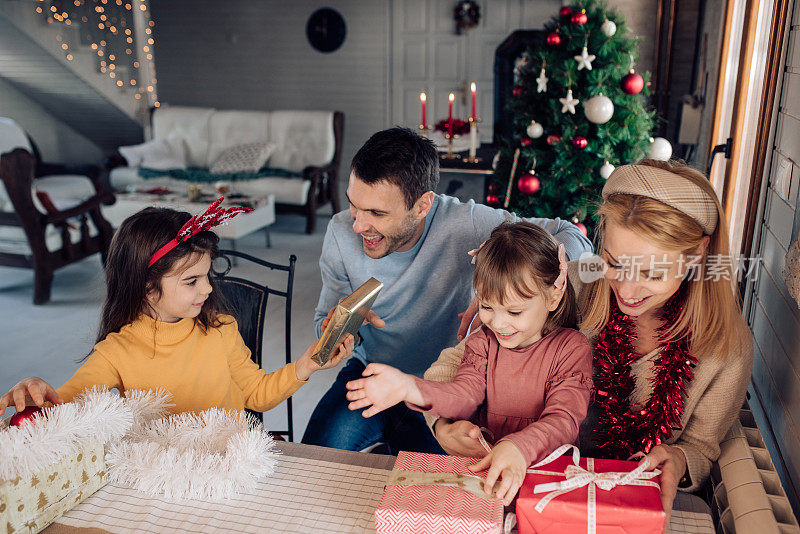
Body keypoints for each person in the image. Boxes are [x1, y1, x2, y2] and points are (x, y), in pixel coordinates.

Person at [426, 159, 753, 520]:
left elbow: (700, 449)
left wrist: (678, 458)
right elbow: (457, 363)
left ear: (696, 254)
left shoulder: (727, 348)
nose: (626, 290)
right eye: (613, 262)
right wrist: (443, 425)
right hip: (531, 492)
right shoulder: (569, 287)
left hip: (630, 511)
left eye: (651, 273)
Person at [301, 127, 592, 454]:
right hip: (373, 372)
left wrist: (499, 286)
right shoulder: (340, 232)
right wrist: (340, 331)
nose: (357, 225)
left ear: (423, 205)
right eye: (355, 206)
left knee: (445, 480)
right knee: (314, 459)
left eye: (377, 213)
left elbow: (571, 234)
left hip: (451, 382)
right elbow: (322, 325)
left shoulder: (466, 222)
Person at [0, 201, 354, 415]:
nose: (208, 288)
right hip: (160, 480)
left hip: (226, 468)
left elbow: (256, 395)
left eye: (206, 275)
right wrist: (33, 390)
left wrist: (307, 364)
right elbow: (62, 407)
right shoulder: (116, 352)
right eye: (191, 281)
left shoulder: (221, 328)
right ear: (147, 288)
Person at [344, 222, 592, 505]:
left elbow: (564, 420)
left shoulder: (571, 348)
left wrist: (517, 447)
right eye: (486, 307)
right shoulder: (483, 341)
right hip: (484, 480)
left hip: (548, 486)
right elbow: (464, 395)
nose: (498, 323)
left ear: (553, 297)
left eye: (513, 311)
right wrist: (408, 387)